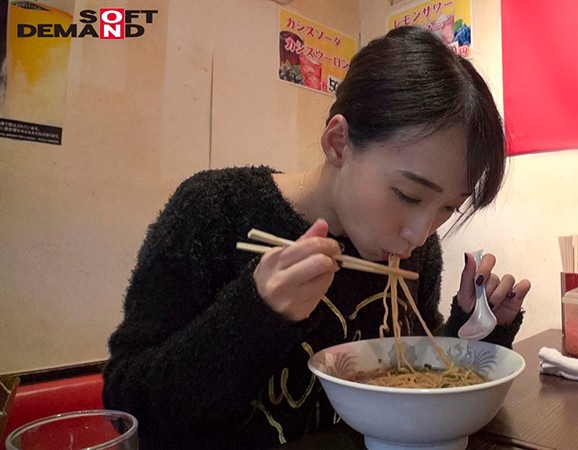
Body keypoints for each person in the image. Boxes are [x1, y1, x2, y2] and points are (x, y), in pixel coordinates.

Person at [102, 26, 531, 448]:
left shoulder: (415, 253)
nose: (419, 234)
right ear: (338, 143)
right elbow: (130, 404)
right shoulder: (215, 212)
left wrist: (475, 329)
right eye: (407, 194)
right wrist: (255, 314)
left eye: (448, 208)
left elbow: (415, 375)